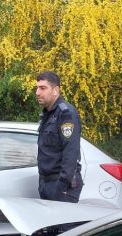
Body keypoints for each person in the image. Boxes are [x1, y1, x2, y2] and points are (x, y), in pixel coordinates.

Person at [35, 71, 83, 203]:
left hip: (61, 187)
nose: (38, 92)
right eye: (37, 88)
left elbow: (70, 152)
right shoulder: (48, 114)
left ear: (55, 90)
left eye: (43, 88)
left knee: (63, 224)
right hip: (47, 183)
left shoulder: (66, 114)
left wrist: (61, 187)